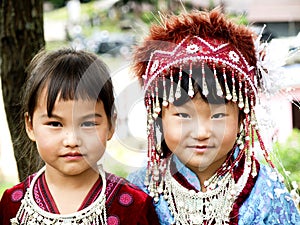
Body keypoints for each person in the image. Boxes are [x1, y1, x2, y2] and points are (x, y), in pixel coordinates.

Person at [127, 9, 300, 225]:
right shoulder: (137, 191)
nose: (201, 133)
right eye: (183, 115)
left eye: (218, 115)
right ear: (159, 117)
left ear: (242, 118)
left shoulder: (266, 191)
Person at [0, 48, 160, 225]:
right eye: (55, 124)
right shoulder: (12, 204)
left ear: (111, 125)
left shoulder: (134, 205)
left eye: (88, 124)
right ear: (30, 125)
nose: (72, 141)